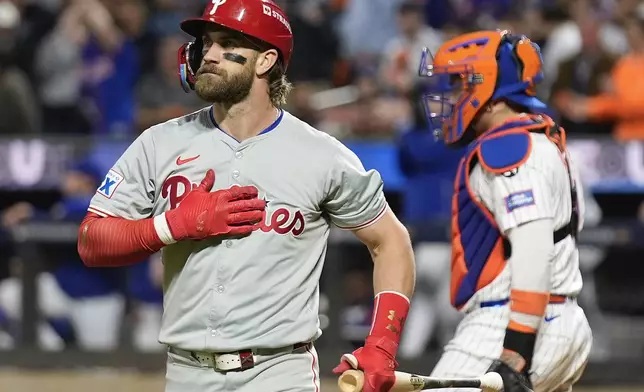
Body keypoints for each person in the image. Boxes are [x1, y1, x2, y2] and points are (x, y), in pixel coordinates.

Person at [77, 1, 416, 392]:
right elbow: (91, 241)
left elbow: (390, 240)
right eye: (206, 43)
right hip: (187, 372)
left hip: (280, 371)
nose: (209, 54)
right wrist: (172, 225)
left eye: (226, 43)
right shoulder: (158, 143)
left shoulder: (323, 155)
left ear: (265, 60)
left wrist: (382, 345)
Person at [416, 30, 592, 392]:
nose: (451, 96)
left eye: (460, 84)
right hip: (556, 317)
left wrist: (516, 350)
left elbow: (533, 248)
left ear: (489, 92)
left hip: (514, 322)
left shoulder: (509, 149)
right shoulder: (544, 138)